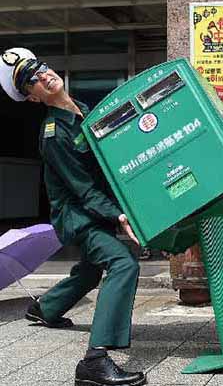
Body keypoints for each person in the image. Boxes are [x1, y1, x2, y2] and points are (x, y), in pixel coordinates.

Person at [0, 47, 147, 386]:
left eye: (40, 67)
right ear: (33, 98)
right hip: (76, 216)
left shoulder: (83, 110)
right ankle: (94, 360)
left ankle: (45, 308)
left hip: (93, 208)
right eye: (30, 79)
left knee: (91, 271)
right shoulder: (54, 135)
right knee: (123, 263)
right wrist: (119, 216)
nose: (42, 75)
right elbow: (83, 189)